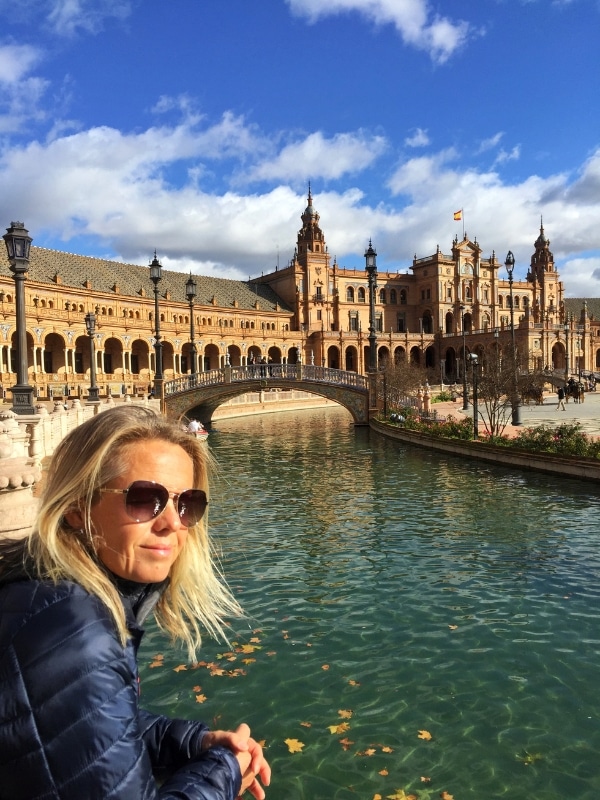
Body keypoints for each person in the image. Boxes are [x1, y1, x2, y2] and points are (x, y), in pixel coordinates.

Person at [0, 405, 270, 800]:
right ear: (77, 507)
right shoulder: (72, 632)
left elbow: (63, 725)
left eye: (187, 503)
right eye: (145, 498)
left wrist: (190, 744)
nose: (172, 523)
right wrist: (224, 770)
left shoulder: (42, 596)